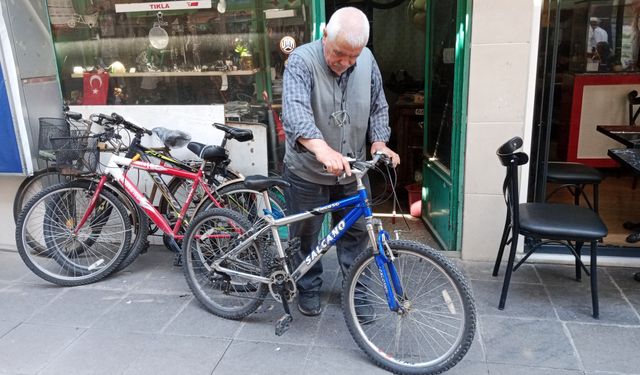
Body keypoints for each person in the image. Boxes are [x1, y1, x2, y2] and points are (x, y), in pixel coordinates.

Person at [281, 6, 400, 316]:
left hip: (352, 172)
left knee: (358, 234)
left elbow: (378, 105)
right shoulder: (301, 62)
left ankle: (356, 292)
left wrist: (379, 142)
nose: (346, 63)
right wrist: (322, 150)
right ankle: (308, 288)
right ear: (324, 36)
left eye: (353, 57)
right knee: (306, 235)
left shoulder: (367, 61)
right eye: (339, 54)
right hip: (307, 172)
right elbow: (295, 112)